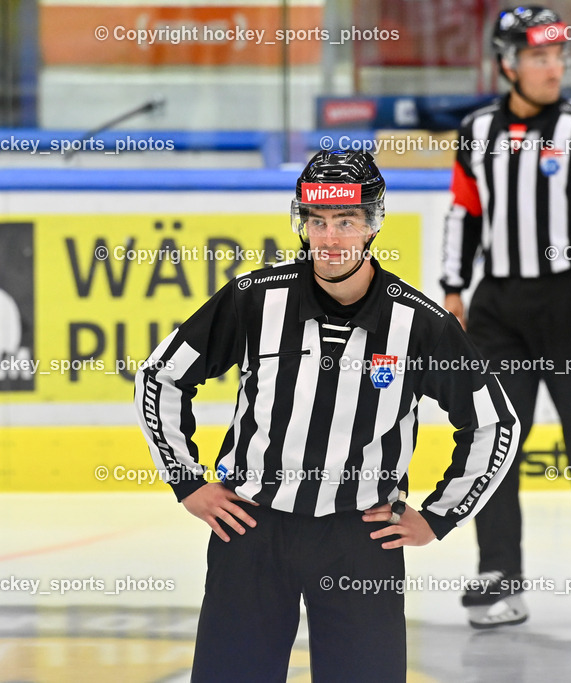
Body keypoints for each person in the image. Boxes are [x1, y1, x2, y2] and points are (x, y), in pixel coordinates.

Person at [136, 150, 519, 682]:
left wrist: (439, 517)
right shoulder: (255, 299)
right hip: (251, 528)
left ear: (373, 225)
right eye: (317, 221)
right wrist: (187, 481)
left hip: (360, 541)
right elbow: (160, 376)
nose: (330, 238)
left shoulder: (420, 323)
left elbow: (495, 423)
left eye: (346, 221)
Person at [441, 5, 571, 627]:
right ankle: (498, 572)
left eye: (558, 56)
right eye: (538, 57)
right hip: (498, 310)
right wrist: (453, 289)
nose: (553, 68)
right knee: (493, 438)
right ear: (507, 65)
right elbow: (463, 212)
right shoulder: (476, 130)